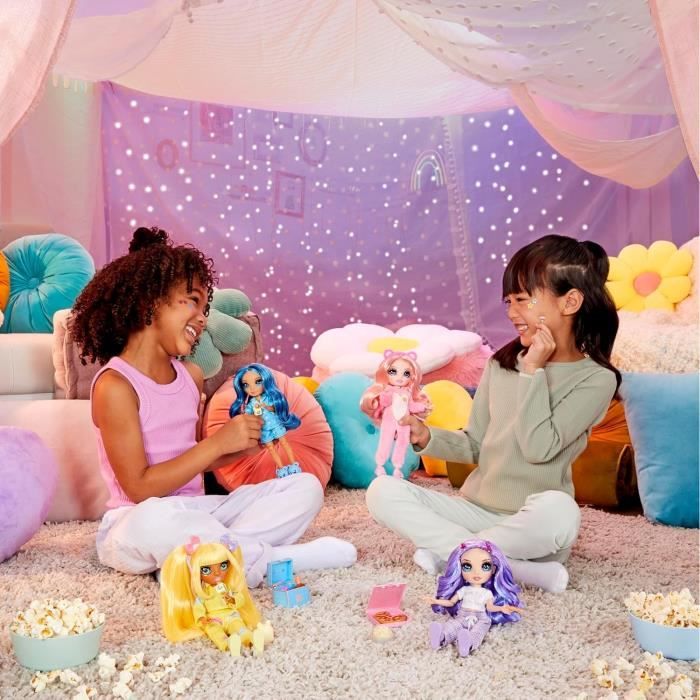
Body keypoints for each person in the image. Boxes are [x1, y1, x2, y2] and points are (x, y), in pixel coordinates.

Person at [71, 226, 356, 587]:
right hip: (135, 521)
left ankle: (198, 560)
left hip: (198, 514)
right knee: (156, 519)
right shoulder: (116, 385)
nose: (203, 317)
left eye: (205, 307)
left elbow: (191, 460)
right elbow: (140, 488)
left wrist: (239, 448)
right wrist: (219, 443)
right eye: (192, 301)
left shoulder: (190, 376)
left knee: (305, 487)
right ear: (148, 302)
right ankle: (273, 560)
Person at [366, 234, 620, 593]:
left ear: (570, 302)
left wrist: (533, 372)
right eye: (508, 301)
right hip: (476, 511)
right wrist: (425, 435)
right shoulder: (501, 365)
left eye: (523, 299)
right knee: (382, 491)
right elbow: (476, 444)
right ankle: (508, 567)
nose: (512, 313)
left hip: (533, 523)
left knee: (562, 511)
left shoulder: (595, 379)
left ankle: (451, 554)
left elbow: (538, 448)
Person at [426, 539, 523, 657]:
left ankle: (467, 644)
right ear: (459, 568)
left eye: (485, 566)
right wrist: (436, 601)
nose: (476, 572)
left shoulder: (487, 593)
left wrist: (502, 608)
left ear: (493, 569)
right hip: (462, 615)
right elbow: (451, 602)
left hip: (481, 618)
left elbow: (490, 607)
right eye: (467, 566)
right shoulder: (464, 590)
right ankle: (441, 637)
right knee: (453, 625)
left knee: (478, 631)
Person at [359, 350, 432, 479]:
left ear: (412, 377)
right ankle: (380, 465)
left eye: (406, 373)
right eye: (393, 371)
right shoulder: (387, 390)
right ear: (385, 373)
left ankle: (398, 467)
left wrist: (422, 407)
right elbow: (384, 402)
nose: (400, 377)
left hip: (404, 421)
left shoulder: (407, 393)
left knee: (403, 442)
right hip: (389, 419)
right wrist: (387, 394)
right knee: (385, 440)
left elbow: (411, 406)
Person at [230, 364, 302, 478]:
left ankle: (294, 464)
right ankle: (281, 468)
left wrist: (267, 407)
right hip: (264, 430)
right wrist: (251, 414)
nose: (252, 388)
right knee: (271, 449)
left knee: (284, 443)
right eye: (246, 385)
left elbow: (275, 407)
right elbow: (247, 415)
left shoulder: (268, 398)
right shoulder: (251, 404)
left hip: (275, 424)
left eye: (258, 381)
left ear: (266, 381)